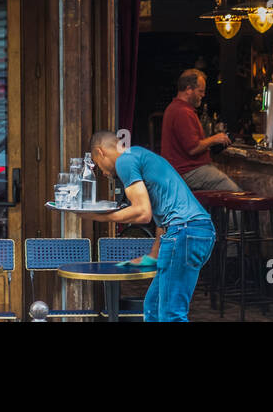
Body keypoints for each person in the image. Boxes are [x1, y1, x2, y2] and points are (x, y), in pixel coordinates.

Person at [85, 131, 215, 322]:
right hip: (196, 231)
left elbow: (143, 213)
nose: (103, 173)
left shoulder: (124, 161)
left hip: (184, 232)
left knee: (172, 314)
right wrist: (154, 255)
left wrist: (98, 216)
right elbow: (160, 218)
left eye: (98, 166)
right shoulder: (139, 155)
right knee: (153, 307)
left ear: (100, 152)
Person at [160, 68, 240, 193]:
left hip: (178, 171)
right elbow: (193, 148)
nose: (203, 95)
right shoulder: (182, 112)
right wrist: (215, 139)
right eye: (200, 91)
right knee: (236, 194)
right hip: (187, 171)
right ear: (188, 90)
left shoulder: (174, 108)